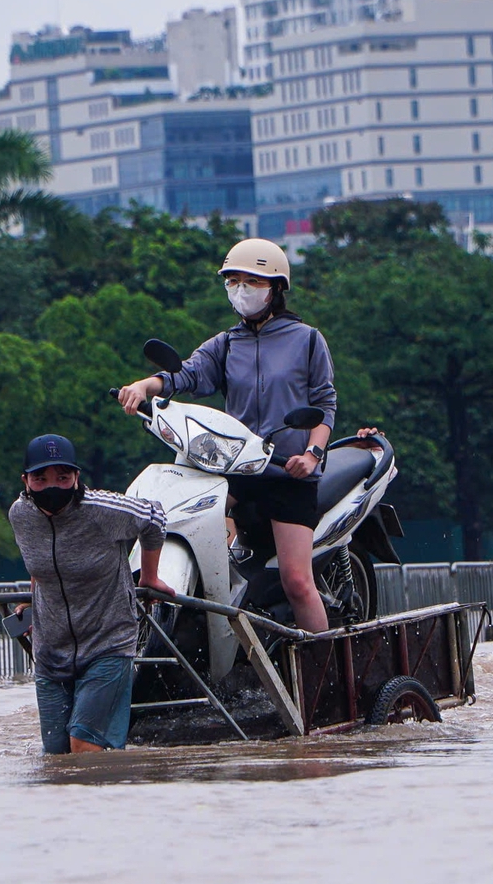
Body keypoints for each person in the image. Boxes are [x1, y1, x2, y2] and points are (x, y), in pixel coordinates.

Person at [116, 238, 337, 634]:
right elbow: (187, 374)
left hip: (288, 472)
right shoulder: (226, 343)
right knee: (182, 516)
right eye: (233, 281)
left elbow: (325, 405)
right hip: (237, 467)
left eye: (251, 281)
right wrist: (146, 385)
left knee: (298, 582)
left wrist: (312, 454)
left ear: (276, 288)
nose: (241, 289)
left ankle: (328, 672)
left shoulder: (307, 340)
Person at [7, 433, 172, 755]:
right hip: (51, 650)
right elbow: (39, 562)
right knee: (56, 756)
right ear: (25, 480)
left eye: (62, 477)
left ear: (77, 478)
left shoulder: (100, 509)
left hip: (107, 642)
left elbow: (154, 517)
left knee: (83, 746)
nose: (52, 486)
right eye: (41, 479)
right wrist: (29, 602)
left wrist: (150, 576)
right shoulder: (20, 514)